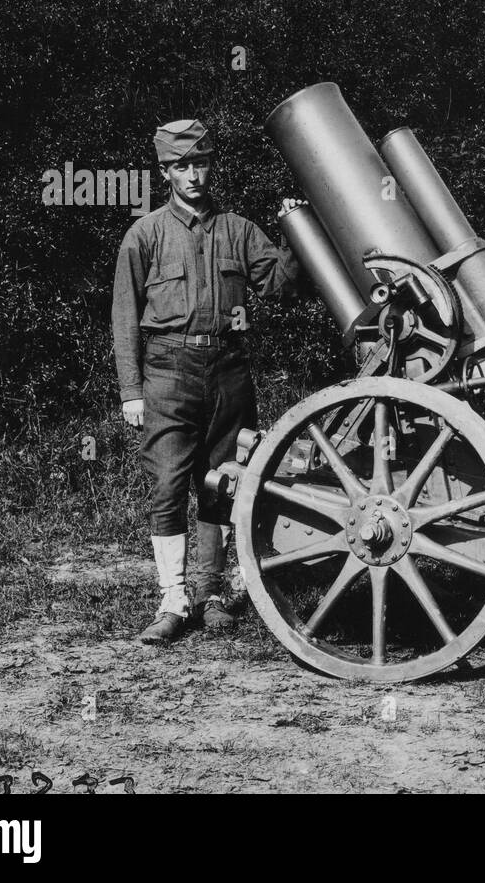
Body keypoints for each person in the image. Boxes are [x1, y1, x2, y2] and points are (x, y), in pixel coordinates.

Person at [112, 119, 303, 644]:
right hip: (167, 372)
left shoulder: (239, 230)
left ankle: (212, 592)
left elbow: (279, 288)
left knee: (222, 485)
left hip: (228, 370)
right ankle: (173, 600)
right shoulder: (145, 234)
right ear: (164, 171)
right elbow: (125, 317)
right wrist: (131, 391)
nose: (193, 175)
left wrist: (297, 231)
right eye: (181, 166)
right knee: (168, 485)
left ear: (211, 165)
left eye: (200, 163)